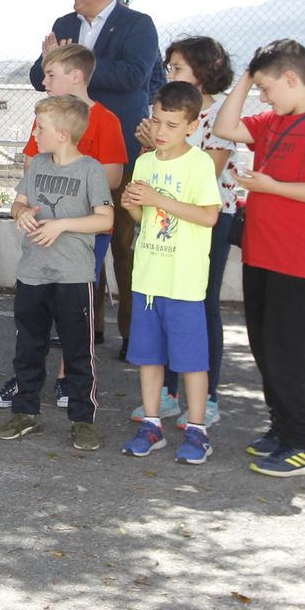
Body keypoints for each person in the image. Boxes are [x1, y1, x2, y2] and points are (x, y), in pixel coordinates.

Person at [213, 39, 305, 478]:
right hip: (262, 254)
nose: (263, 97)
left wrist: (273, 188)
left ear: (291, 79)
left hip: (299, 260)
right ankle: (283, 428)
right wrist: (247, 74)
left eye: (267, 88)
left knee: (288, 354)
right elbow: (224, 125)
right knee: (265, 349)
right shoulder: (274, 120)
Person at [28, 0, 158, 359]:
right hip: (67, 153)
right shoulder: (64, 24)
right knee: (78, 243)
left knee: (122, 244)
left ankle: (132, 333)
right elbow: (39, 77)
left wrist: (77, 65)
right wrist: (52, 61)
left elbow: (135, 75)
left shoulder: (138, 24)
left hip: (116, 151)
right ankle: (89, 327)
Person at [0, 94, 114, 451]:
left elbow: (105, 219)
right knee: (28, 347)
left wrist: (61, 225)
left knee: (78, 351)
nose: (35, 133)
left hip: (73, 277)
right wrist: (21, 214)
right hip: (32, 273)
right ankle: (25, 412)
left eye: (40, 128)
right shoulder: (38, 166)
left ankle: (83, 420)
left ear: (63, 134)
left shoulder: (91, 169)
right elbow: (18, 202)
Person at [131, 37, 239, 428]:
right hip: (163, 221)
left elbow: (208, 169)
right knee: (163, 305)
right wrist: (153, 147)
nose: (170, 73)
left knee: (201, 304)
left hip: (210, 217)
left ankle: (205, 396)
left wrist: (161, 143)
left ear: (204, 71)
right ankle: (166, 393)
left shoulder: (220, 116)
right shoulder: (164, 115)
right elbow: (153, 169)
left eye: (178, 67)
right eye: (170, 67)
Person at [118, 81, 222, 465]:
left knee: (191, 361)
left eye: (172, 125)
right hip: (148, 279)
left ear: (192, 126)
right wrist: (132, 204)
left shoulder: (199, 164)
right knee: (149, 358)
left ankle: (197, 430)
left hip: (183, 283)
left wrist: (157, 199)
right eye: (157, 121)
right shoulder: (145, 161)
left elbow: (209, 216)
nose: (161, 131)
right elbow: (143, 217)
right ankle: (151, 425)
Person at [21, 43, 129, 362]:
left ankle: (70, 377)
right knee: (37, 307)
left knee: (75, 308)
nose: (44, 82)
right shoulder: (45, 119)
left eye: (51, 74)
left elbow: (113, 177)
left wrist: (69, 171)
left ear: (76, 76)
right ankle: (28, 376)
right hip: (44, 228)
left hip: (86, 232)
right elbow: (30, 166)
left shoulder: (106, 120)